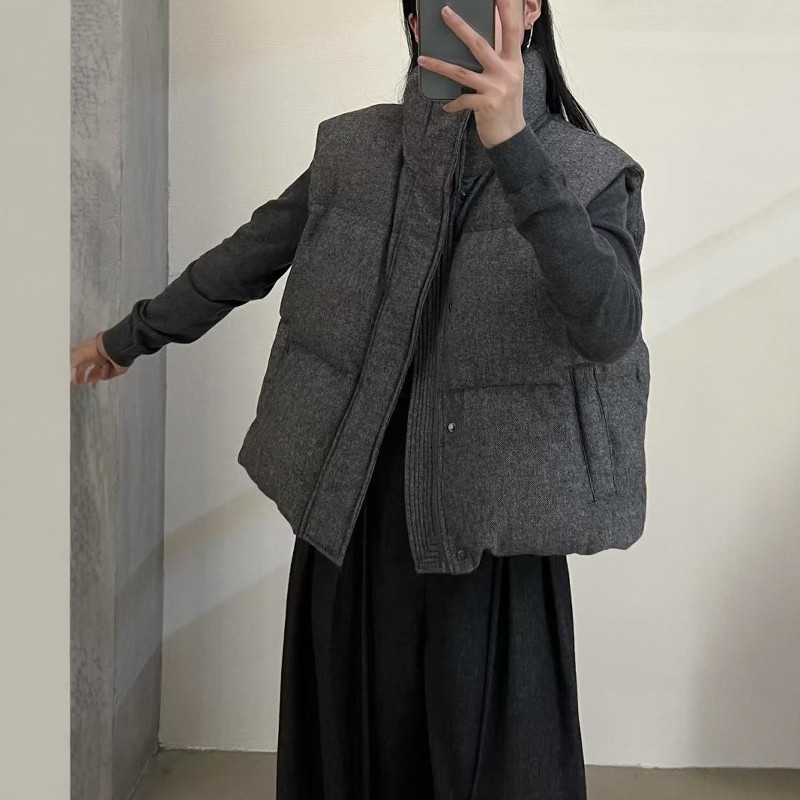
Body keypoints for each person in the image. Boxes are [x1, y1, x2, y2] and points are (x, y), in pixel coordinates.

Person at [72, 1, 648, 797]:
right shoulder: (356, 149)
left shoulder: (591, 170)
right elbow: (250, 254)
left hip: (492, 541)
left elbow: (609, 325)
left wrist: (515, 148)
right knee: (351, 760)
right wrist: (125, 339)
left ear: (530, 9)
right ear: (415, 27)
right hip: (354, 521)